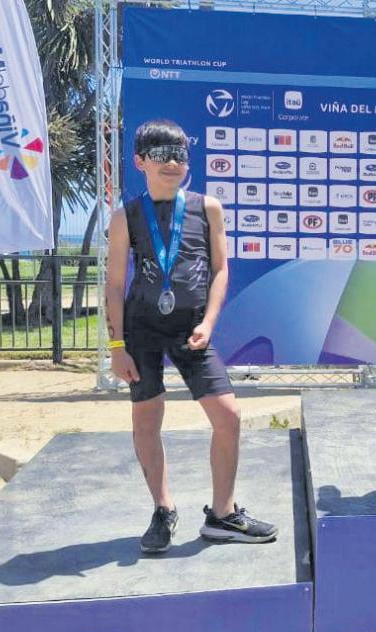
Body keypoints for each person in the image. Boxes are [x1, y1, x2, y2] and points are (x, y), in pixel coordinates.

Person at [106, 119, 276, 553]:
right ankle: (163, 509)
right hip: (141, 330)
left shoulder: (207, 208)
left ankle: (222, 515)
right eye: (161, 154)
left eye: (180, 154)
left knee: (228, 415)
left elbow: (221, 270)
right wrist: (117, 346)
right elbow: (114, 284)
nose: (172, 163)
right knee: (147, 420)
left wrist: (209, 322)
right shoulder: (125, 217)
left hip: (192, 330)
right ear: (140, 161)